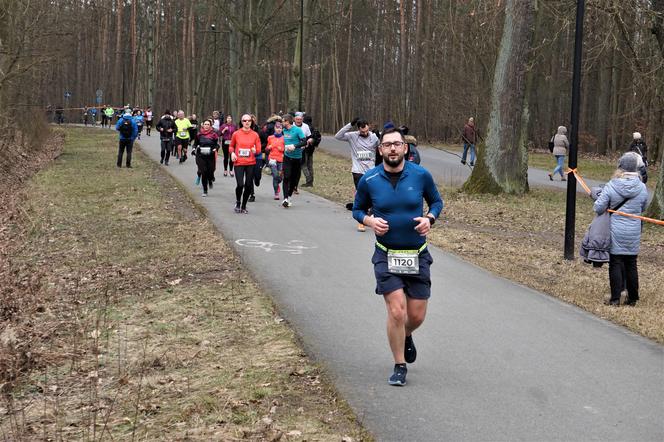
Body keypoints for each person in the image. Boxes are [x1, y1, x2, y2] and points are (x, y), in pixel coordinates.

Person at [353, 128, 443, 386]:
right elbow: (357, 210)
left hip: (417, 255)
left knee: (415, 316)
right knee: (396, 311)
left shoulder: (421, 175)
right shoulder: (369, 180)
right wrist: (369, 220)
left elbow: (437, 202)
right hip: (386, 254)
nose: (392, 149)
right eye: (387, 145)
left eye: (397, 144)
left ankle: (405, 335)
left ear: (405, 148)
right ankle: (399, 365)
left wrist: (430, 219)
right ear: (380, 150)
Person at [593, 152, 648, 306]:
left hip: (615, 229)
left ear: (621, 167)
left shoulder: (612, 185)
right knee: (631, 263)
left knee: (615, 262)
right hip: (634, 230)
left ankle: (615, 298)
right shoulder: (642, 187)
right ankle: (632, 299)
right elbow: (643, 207)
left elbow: (598, 208)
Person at [334, 117, 380, 231]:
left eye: (366, 131)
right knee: (362, 194)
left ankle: (371, 214)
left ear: (368, 127)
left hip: (371, 170)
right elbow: (338, 136)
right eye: (362, 131)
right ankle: (362, 222)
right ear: (358, 129)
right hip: (358, 171)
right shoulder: (353, 136)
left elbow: (382, 146)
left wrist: (379, 137)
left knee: (373, 194)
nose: (364, 133)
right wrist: (350, 124)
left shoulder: (373, 136)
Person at [230, 114, 261, 213]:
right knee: (240, 185)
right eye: (244, 120)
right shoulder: (236, 134)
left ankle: (244, 206)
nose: (247, 122)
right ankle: (238, 202)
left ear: (252, 122)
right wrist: (232, 153)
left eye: (249, 121)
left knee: (248, 185)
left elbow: (259, 150)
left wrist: (255, 150)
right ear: (241, 122)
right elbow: (231, 146)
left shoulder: (255, 135)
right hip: (239, 162)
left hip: (250, 163)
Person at [281, 114, 307, 208]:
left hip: (297, 158)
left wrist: (294, 146)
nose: (282, 123)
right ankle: (285, 198)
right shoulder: (284, 130)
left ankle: (289, 196)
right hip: (287, 157)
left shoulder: (297, 130)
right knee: (286, 176)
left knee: (293, 179)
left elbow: (304, 141)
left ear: (287, 121)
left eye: (283, 121)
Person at [193, 119, 219, 197]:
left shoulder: (214, 134)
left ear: (210, 126)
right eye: (205, 124)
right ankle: (205, 190)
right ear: (203, 125)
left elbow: (217, 145)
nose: (206, 126)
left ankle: (210, 180)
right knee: (203, 172)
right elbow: (195, 144)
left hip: (210, 155)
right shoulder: (199, 134)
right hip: (201, 155)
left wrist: (215, 149)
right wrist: (194, 149)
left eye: (208, 124)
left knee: (211, 171)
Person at [266, 122, 286, 200]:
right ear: (275, 128)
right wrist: (269, 147)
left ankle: (277, 185)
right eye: (277, 128)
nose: (279, 129)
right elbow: (267, 149)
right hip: (272, 159)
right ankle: (276, 193)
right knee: (275, 175)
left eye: (280, 128)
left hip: (281, 160)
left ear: (282, 129)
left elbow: (286, 149)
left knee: (280, 176)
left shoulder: (284, 138)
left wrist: (282, 149)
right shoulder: (270, 137)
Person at [301, 115, 321, 187]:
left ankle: (308, 180)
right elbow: (318, 139)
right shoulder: (315, 129)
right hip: (311, 150)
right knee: (310, 166)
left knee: (303, 165)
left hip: (305, 149)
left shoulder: (305, 128)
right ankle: (310, 182)